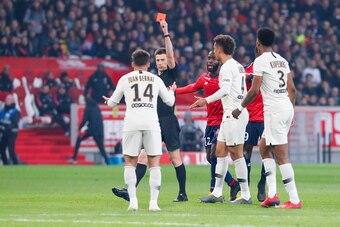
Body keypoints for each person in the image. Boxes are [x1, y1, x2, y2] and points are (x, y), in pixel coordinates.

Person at [112, 20, 188, 203]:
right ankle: (130, 191)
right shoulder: (154, 78)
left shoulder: (170, 73)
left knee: (174, 157)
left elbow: (170, 55)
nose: (161, 63)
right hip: (153, 121)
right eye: (158, 60)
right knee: (143, 157)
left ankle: (183, 193)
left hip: (168, 120)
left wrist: (166, 33)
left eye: (163, 60)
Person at [232, 27, 301, 209]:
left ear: (258, 42)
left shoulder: (260, 61)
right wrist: (291, 111)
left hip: (274, 111)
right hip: (286, 107)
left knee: (281, 155)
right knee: (264, 147)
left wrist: (240, 108)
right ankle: (272, 195)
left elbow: (254, 90)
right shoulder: (282, 60)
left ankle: (294, 199)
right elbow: (292, 89)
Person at [103, 49, 176, 211]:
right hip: (151, 123)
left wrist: (109, 101)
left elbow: (113, 103)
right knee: (155, 163)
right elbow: (170, 102)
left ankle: (133, 202)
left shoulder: (125, 78)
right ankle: (153, 203)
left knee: (130, 162)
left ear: (132, 64)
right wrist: (171, 91)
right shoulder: (155, 79)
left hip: (132, 124)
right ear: (149, 64)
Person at [192, 34, 251, 204]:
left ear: (219, 48)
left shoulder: (226, 67)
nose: (213, 50)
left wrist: (206, 100)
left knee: (236, 153)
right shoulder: (238, 66)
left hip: (234, 115)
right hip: (231, 113)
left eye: (214, 47)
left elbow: (225, 90)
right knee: (219, 152)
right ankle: (217, 192)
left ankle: (245, 194)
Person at [176, 51, 240, 201]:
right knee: (210, 158)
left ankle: (214, 190)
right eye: (208, 58)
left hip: (222, 120)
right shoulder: (204, 78)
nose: (210, 61)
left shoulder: (224, 78)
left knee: (214, 154)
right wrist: (175, 91)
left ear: (219, 61)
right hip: (210, 122)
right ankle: (232, 183)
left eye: (213, 58)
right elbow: (192, 87)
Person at [243, 48, 267, 202]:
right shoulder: (246, 71)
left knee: (268, 152)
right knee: (246, 152)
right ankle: (246, 186)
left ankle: (262, 184)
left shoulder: (269, 69)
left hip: (266, 117)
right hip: (249, 119)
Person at [68, 97, 109, 165]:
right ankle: (107, 162)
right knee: (101, 147)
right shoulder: (97, 107)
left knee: (79, 139)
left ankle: (74, 158)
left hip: (91, 129)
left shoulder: (88, 107)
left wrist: (79, 128)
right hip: (100, 130)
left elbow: (85, 120)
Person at [0, 94, 20, 165]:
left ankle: (16, 164)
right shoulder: (2, 111)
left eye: (9, 99)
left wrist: (4, 126)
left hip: (12, 133)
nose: (7, 100)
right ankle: (6, 164)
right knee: (1, 149)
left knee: (10, 149)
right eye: (6, 99)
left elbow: (14, 123)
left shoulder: (15, 111)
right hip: (4, 132)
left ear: (13, 101)